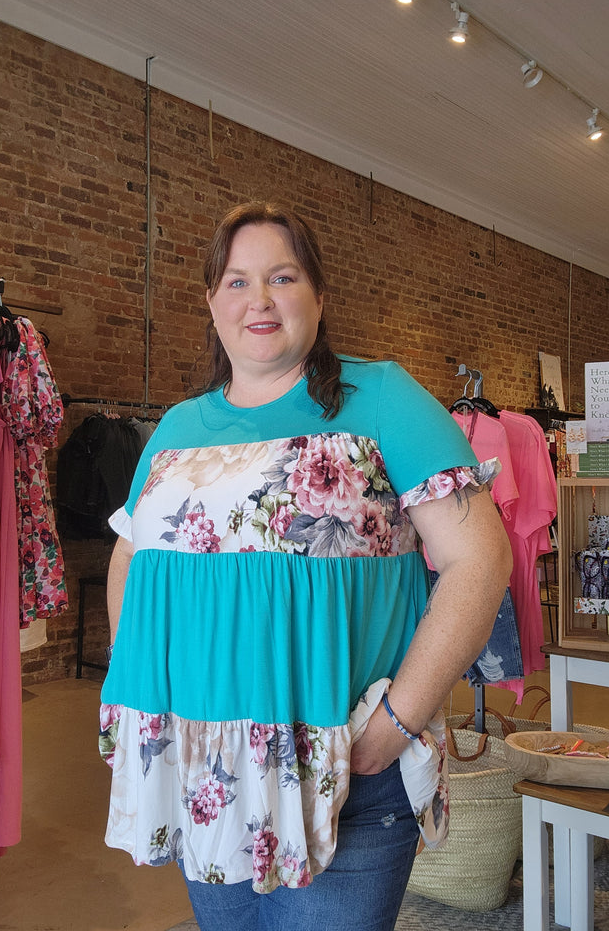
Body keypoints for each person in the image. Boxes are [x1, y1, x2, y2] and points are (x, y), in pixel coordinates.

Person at [99, 202, 512, 931]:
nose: (258, 299)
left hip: (345, 768)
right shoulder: (176, 428)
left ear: (318, 295)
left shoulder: (381, 398)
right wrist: (137, 696)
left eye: (282, 277)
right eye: (237, 281)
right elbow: (133, 555)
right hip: (207, 770)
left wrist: (395, 723)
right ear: (211, 302)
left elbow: (480, 560)